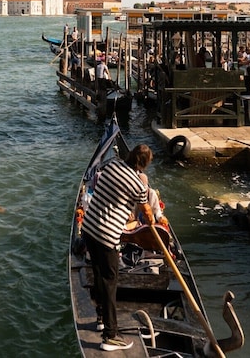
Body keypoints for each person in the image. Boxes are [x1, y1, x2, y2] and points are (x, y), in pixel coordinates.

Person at [81, 144, 154, 352]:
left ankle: (102, 319)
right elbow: (147, 213)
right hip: (106, 237)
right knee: (110, 283)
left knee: (98, 276)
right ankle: (110, 336)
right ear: (143, 164)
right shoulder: (139, 185)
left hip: (89, 228)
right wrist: (150, 222)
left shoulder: (112, 165)